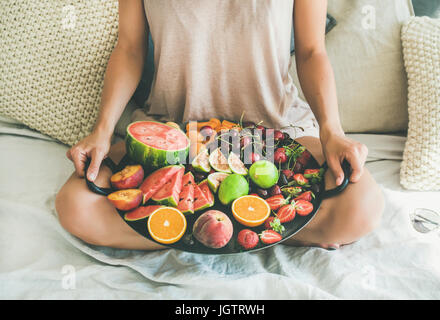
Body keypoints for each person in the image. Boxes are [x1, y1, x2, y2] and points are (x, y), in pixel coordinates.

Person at [55, 0, 384, 251]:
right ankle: (250, 235)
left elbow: (312, 52)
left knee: (363, 207)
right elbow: (128, 49)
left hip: (276, 130)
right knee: (75, 206)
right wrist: (101, 129)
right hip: (172, 132)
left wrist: (332, 131)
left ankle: (182, 232)